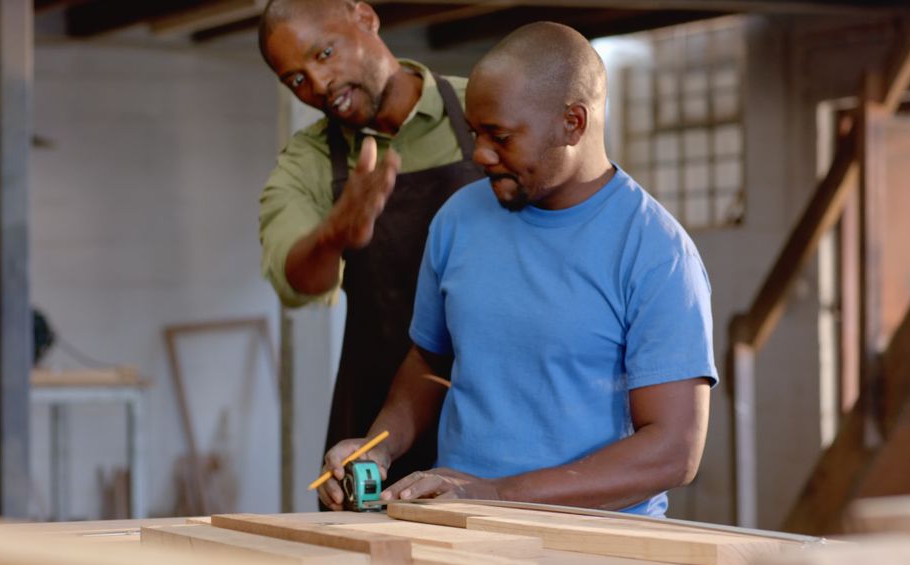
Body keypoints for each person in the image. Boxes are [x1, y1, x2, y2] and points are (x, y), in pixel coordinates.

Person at [317, 21, 717, 516]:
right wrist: (378, 447)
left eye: (501, 137)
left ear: (573, 122)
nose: (481, 154)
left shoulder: (655, 251)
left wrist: (496, 493)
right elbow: (429, 366)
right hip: (462, 529)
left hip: (597, 547)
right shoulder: (458, 220)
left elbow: (674, 451)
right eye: (474, 133)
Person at [257, 0, 483, 490]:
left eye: (323, 54)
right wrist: (334, 233)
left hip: (492, 425)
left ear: (365, 17)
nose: (316, 86)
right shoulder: (310, 161)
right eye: (295, 80)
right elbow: (297, 282)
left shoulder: (485, 109)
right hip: (376, 436)